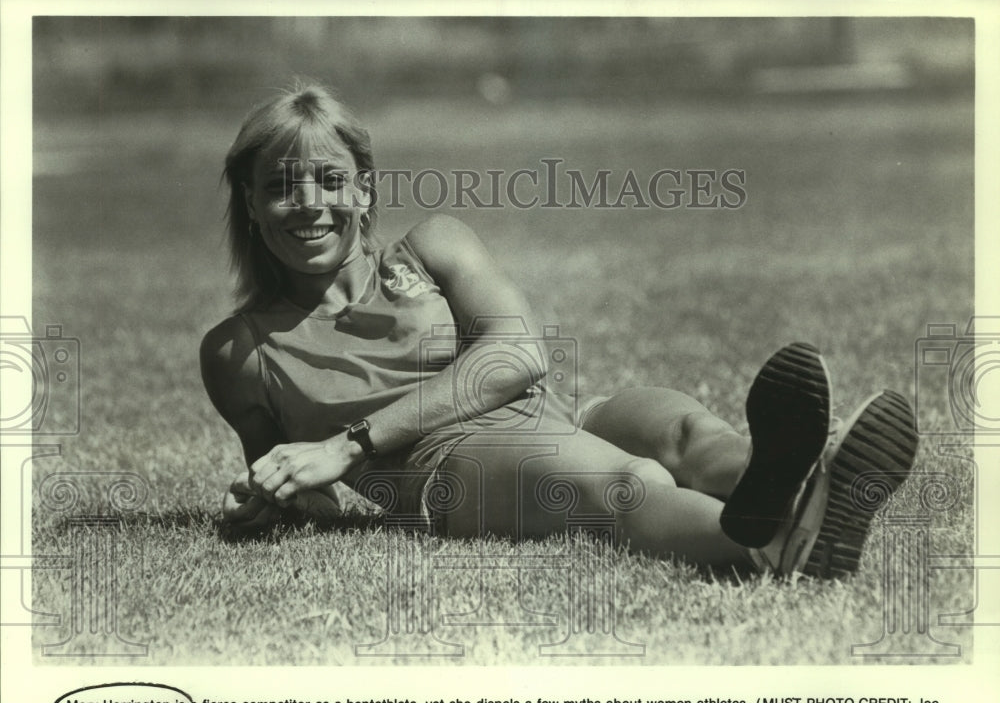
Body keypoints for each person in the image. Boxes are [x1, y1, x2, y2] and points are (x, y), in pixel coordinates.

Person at [200, 82, 919, 579]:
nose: (307, 205)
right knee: (632, 482)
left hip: (551, 414)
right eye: (280, 186)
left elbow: (519, 355)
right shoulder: (240, 350)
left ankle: (800, 492)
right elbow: (298, 481)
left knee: (686, 439)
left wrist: (348, 442)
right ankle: (772, 543)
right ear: (252, 204)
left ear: (364, 188)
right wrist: (274, 500)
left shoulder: (434, 244)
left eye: (328, 179)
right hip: (445, 470)